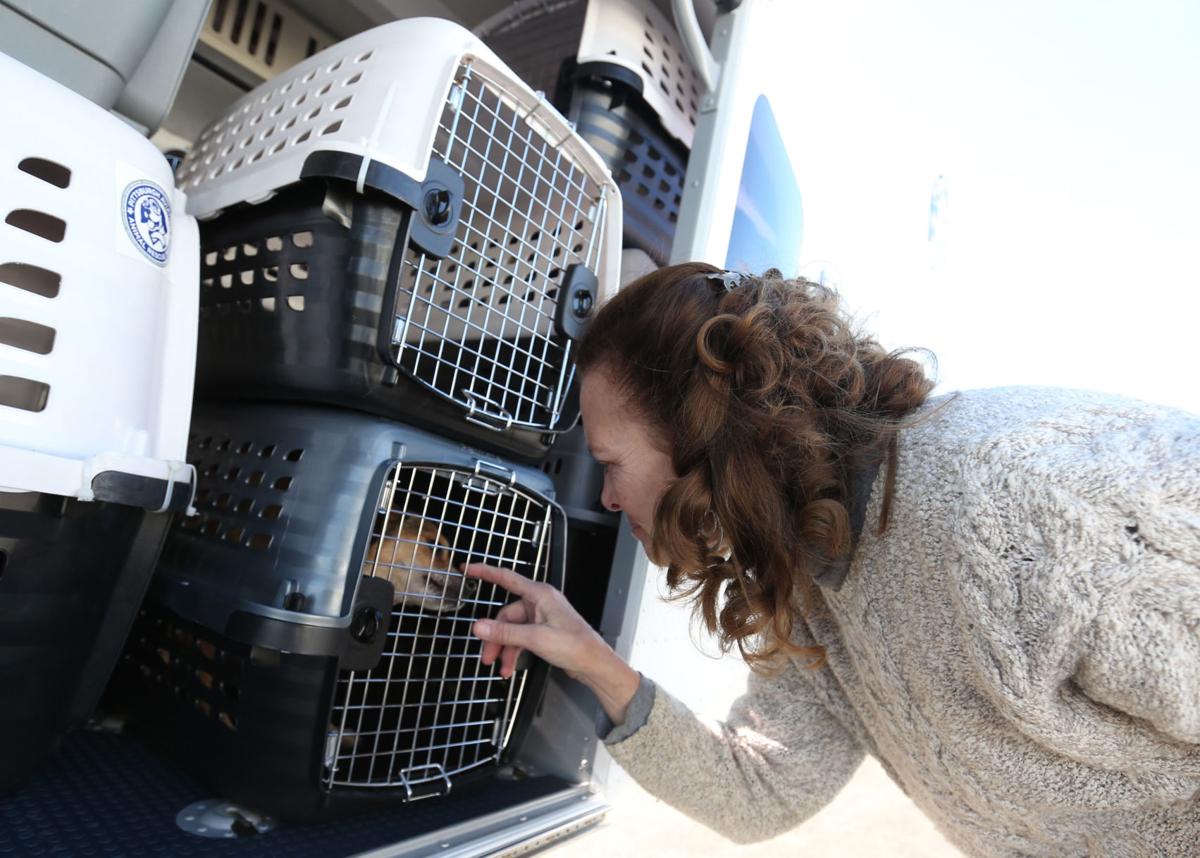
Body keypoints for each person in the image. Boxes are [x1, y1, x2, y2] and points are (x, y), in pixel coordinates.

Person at [464, 262, 1200, 856]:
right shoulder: (812, 580)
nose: (609, 497)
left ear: (697, 430)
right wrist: (593, 660)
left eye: (610, 462)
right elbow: (762, 789)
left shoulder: (1009, 500)